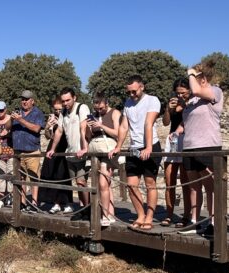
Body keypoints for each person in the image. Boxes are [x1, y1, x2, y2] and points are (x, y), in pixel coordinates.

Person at [172, 60, 224, 237]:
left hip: (208, 146)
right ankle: (195, 221)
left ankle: (213, 223)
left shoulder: (215, 91)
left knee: (211, 188)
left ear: (202, 78)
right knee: (194, 188)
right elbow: (189, 121)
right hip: (189, 147)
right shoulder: (192, 101)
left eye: (195, 77)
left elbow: (195, 89)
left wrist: (191, 72)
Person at [108, 75, 162, 231]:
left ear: (142, 87)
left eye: (134, 91)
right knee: (132, 185)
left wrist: (149, 148)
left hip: (151, 145)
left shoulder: (152, 100)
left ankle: (149, 217)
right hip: (134, 149)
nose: (132, 95)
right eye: (129, 92)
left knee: (150, 183)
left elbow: (148, 123)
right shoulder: (128, 103)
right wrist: (118, 146)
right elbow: (124, 127)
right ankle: (140, 215)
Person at [77, 92, 121, 226]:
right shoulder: (94, 116)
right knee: (103, 184)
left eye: (101, 109)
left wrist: (101, 126)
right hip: (96, 150)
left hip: (108, 150)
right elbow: (89, 137)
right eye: (96, 109)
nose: (99, 111)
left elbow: (118, 133)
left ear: (107, 104)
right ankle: (108, 213)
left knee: (103, 183)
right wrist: (90, 127)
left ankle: (106, 215)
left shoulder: (115, 113)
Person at [46, 87, 91, 218]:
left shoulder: (81, 108)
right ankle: (83, 209)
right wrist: (52, 149)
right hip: (70, 153)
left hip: (81, 152)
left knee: (82, 181)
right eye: (63, 101)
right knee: (77, 182)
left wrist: (84, 148)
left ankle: (88, 209)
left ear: (74, 98)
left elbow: (84, 127)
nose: (65, 103)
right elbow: (59, 131)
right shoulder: (64, 112)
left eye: (68, 100)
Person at [8, 90, 45, 213]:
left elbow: (36, 128)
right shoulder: (18, 113)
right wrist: (10, 118)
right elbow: (8, 127)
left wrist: (20, 120)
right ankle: (23, 203)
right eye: (22, 99)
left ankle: (34, 203)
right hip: (18, 151)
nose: (24, 101)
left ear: (32, 101)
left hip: (32, 151)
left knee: (34, 177)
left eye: (26, 99)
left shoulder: (37, 113)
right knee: (21, 178)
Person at [162, 78, 191, 228]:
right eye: (178, 93)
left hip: (187, 141)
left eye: (183, 93)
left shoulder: (193, 103)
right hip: (172, 141)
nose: (180, 96)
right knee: (169, 181)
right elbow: (166, 122)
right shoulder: (173, 102)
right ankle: (169, 214)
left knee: (186, 182)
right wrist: (168, 108)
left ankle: (187, 216)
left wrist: (185, 105)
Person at [38, 97, 73, 214]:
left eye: (59, 109)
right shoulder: (52, 117)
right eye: (55, 110)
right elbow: (48, 136)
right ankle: (56, 202)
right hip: (53, 148)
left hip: (64, 147)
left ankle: (67, 202)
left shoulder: (67, 117)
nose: (57, 112)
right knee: (52, 175)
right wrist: (48, 126)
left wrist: (60, 124)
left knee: (64, 175)